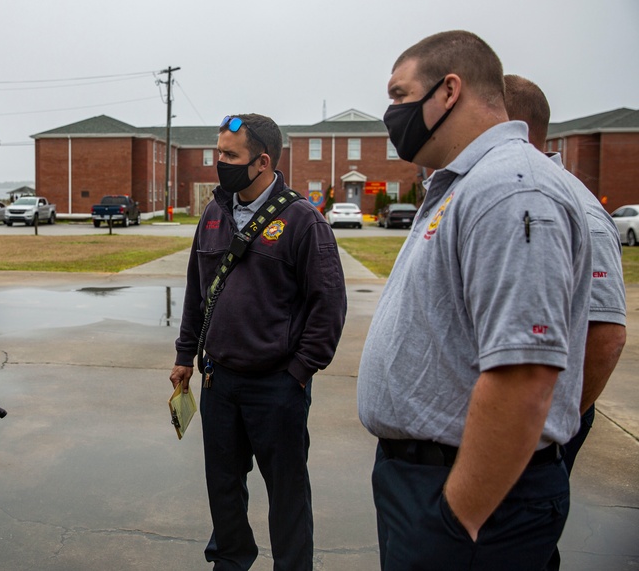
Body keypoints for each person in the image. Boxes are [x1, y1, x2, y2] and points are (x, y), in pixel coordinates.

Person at [357, 31, 592, 570]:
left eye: (399, 95)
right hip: (426, 482)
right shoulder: (466, 184)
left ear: (449, 91)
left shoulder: (510, 189)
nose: (391, 113)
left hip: (473, 504)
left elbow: (524, 377)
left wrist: (455, 520)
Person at [171, 113, 347, 571]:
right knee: (224, 491)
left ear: (263, 161)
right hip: (219, 384)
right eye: (217, 152)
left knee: (287, 495)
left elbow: (328, 306)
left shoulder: (303, 220)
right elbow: (197, 289)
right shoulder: (213, 213)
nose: (218, 162)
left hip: (278, 388)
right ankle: (230, 563)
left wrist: (298, 373)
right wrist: (185, 356)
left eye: (230, 155)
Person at [504, 74, 627, 569]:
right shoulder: (508, 191)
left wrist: (556, 423)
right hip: (511, 414)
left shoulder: (574, 206)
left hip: (543, 423)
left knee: (520, 544)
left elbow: (605, 336)